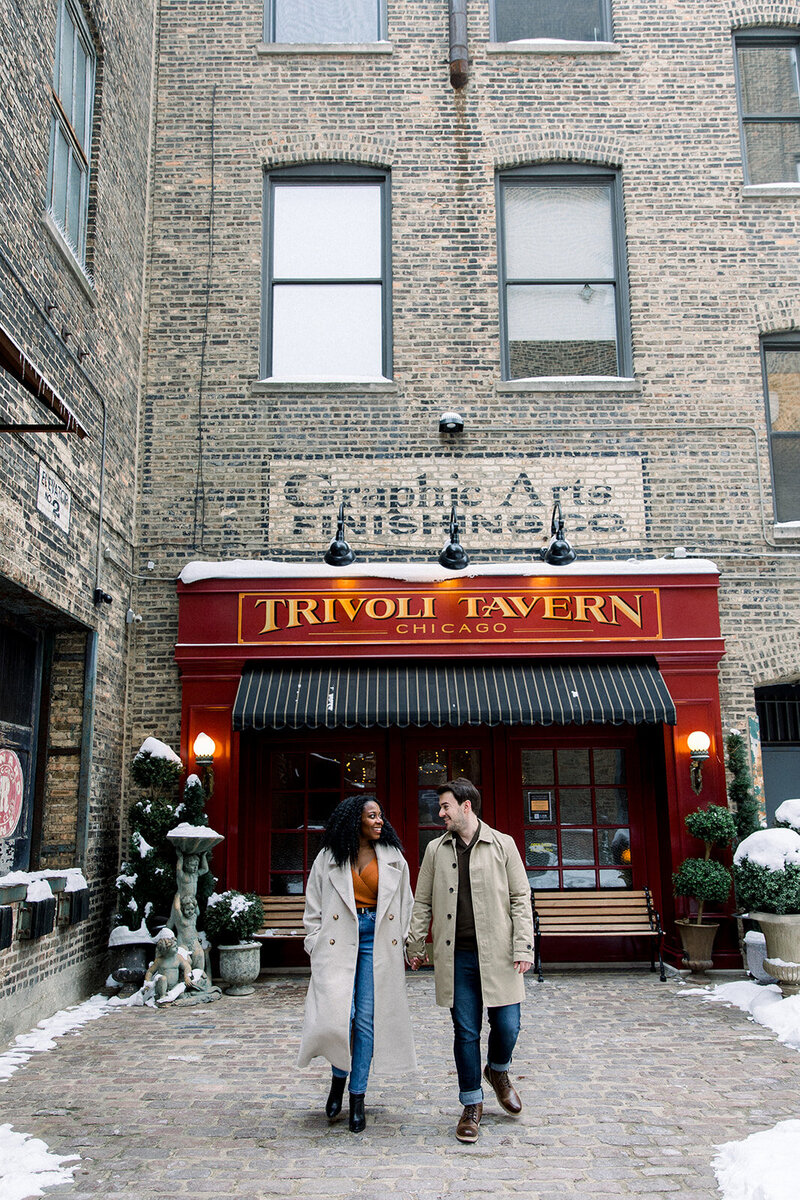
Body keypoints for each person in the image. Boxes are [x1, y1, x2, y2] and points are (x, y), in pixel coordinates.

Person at [406, 778, 534, 1144]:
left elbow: (520, 898)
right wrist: (415, 945)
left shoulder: (503, 844)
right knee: (465, 1032)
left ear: (466, 806)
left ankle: (497, 1071)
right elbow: (423, 901)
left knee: (508, 1026)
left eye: (445, 806)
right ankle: (471, 1105)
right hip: (456, 956)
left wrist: (524, 946)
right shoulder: (435, 849)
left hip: (500, 954)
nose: (440, 813)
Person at [298, 795, 416, 1132]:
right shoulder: (329, 858)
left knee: (365, 1021)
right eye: (372, 816)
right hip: (339, 939)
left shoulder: (394, 858)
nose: (379, 821)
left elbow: (405, 906)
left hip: (375, 940)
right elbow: (313, 907)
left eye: (381, 815)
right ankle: (338, 1077)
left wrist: (404, 944)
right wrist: (315, 944)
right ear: (355, 820)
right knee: (340, 1016)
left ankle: (357, 1096)